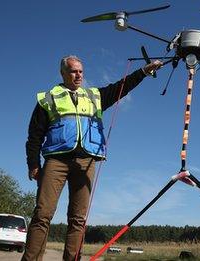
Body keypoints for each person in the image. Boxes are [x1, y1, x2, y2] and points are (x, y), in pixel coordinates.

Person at [22, 55, 162, 261]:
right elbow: (34, 134)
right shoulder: (49, 97)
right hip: (56, 161)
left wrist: (143, 72)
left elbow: (121, 86)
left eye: (80, 71)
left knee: (78, 219)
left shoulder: (94, 96)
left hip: (86, 162)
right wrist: (33, 163)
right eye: (73, 71)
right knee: (43, 214)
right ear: (63, 73)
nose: (78, 75)